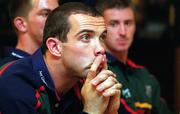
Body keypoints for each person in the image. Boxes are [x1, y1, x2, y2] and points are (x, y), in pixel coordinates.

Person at [0, 2, 121, 114]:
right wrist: (91, 111)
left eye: (102, 37)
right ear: (55, 47)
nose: (101, 49)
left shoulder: (88, 86)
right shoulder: (15, 81)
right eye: (85, 37)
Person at [96, 0, 174, 114]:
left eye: (128, 23)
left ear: (135, 26)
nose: (123, 32)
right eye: (113, 24)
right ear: (101, 29)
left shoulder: (145, 76)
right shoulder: (97, 71)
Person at [0, 0, 59, 66]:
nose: (57, 20)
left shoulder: (52, 64)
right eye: (46, 14)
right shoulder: (10, 70)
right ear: (21, 24)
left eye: (58, 14)